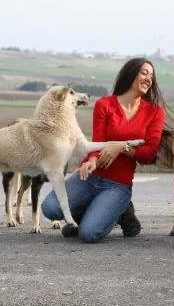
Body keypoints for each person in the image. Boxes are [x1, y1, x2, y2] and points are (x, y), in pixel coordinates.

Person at [41, 57, 166, 243]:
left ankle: (120, 210)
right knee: (50, 208)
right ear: (131, 74)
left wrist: (121, 147)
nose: (149, 78)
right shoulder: (105, 104)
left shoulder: (155, 112)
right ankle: (101, 211)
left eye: (152, 76)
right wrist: (90, 160)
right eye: (144, 73)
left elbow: (148, 154)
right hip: (90, 177)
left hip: (118, 185)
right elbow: (97, 142)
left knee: (88, 234)